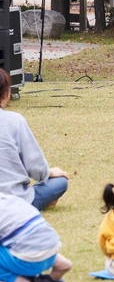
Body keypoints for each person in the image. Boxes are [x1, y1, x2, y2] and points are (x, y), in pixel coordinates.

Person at [0, 68, 69, 210]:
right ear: (6, 93)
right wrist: (50, 172)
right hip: (16, 201)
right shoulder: (14, 121)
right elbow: (35, 168)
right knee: (60, 182)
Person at [0, 192, 72, 282]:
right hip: (51, 250)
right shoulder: (8, 198)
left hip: (30, 260)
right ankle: (60, 263)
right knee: (29, 237)